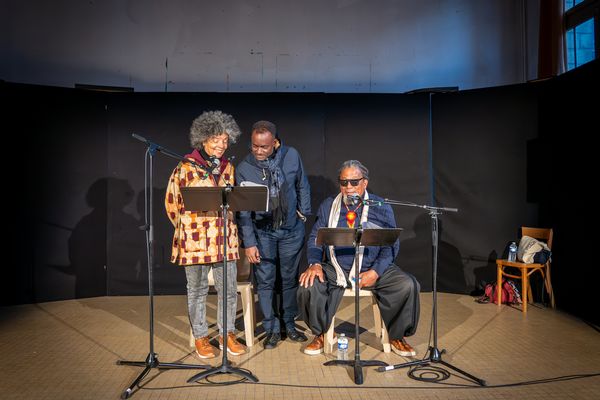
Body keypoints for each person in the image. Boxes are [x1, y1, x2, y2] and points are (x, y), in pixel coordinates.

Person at [297, 160, 420, 356]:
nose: (348, 187)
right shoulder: (329, 205)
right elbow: (315, 238)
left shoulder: (381, 206)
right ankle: (321, 333)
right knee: (309, 284)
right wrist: (314, 263)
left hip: (372, 266)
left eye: (354, 182)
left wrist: (376, 271)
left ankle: (396, 335)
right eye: (344, 182)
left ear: (365, 183)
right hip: (335, 267)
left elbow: (390, 244)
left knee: (407, 285)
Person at [165, 110, 247, 359]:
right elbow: (171, 203)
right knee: (198, 289)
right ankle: (201, 337)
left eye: (225, 140)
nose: (222, 145)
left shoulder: (228, 167)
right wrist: (189, 229)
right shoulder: (185, 167)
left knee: (228, 289)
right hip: (195, 240)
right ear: (203, 140)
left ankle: (227, 334)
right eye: (216, 140)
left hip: (224, 239)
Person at [236, 120, 311, 349]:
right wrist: (249, 243)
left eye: (264, 147)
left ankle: (288, 323)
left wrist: (303, 213)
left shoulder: (291, 155)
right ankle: (271, 329)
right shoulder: (243, 168)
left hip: (290, 230)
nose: (258, 151)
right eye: (254, 146)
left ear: (275, 143)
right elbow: (243, 212)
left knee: (289, 279)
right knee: (266, 282)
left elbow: (302, 184)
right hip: (263, 232)